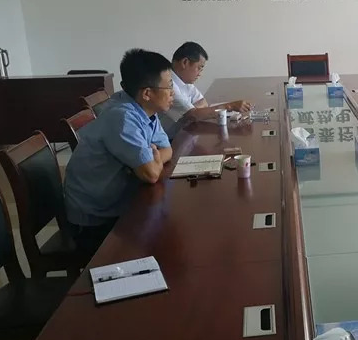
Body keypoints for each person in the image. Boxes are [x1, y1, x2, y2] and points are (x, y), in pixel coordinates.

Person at [64, 49, 174, 264]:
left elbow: (167, 149)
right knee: (162, 250)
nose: (173, 93)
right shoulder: (122, 117)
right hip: (95, 221)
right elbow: (151, 174)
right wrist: (152, 162)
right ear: (147, 93)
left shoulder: (145, 110)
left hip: (120, 202)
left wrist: (154, 159)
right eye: (169, 86)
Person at [159, 42, 252, 138]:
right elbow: (194, 115)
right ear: (185, 62)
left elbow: (203, 102)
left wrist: (193, 111)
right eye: (199, 68)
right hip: (169, 141)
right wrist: (229, 106)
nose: (200, 74)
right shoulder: (168, 84)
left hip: (183, 135)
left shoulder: (184, 81)